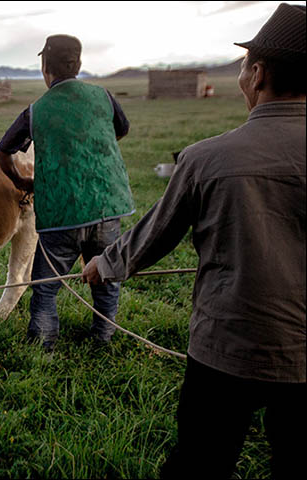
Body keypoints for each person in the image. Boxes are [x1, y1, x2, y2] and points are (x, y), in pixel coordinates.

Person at [82, 4, 306, 478]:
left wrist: (105, 264)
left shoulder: (207, 159)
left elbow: (155, 233)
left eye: (246, 64)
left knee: (201, 463)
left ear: (258, 74)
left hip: (227, 348)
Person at [0, 34, 134, 351]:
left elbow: (3, 152)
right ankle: (102, 339)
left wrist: (22, 182)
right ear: (79, 64)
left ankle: (43, 346)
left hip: (61, 215)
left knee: (45, 287)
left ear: (45, 68)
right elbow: (121, 129)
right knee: (107, 278)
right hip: (107, 207)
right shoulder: (103, 96)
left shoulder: (36, 111)